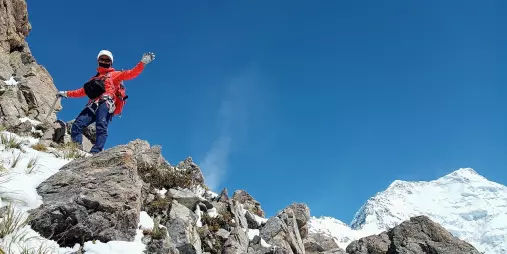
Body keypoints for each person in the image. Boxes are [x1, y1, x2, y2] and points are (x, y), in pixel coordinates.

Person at [57, 50, 155, 154]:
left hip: (106, 103)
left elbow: (130, 73)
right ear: (98, 60)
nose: (104, 61)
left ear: (110, 62)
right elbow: (81, 92)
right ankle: (76, 150)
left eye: (106, 59)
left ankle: (95, 152)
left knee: (101, 126)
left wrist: (142, 64)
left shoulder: (114, 74)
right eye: (102, 59)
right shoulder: (93, 79)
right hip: (92, 105)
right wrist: (66, 93)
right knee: (77, 124)